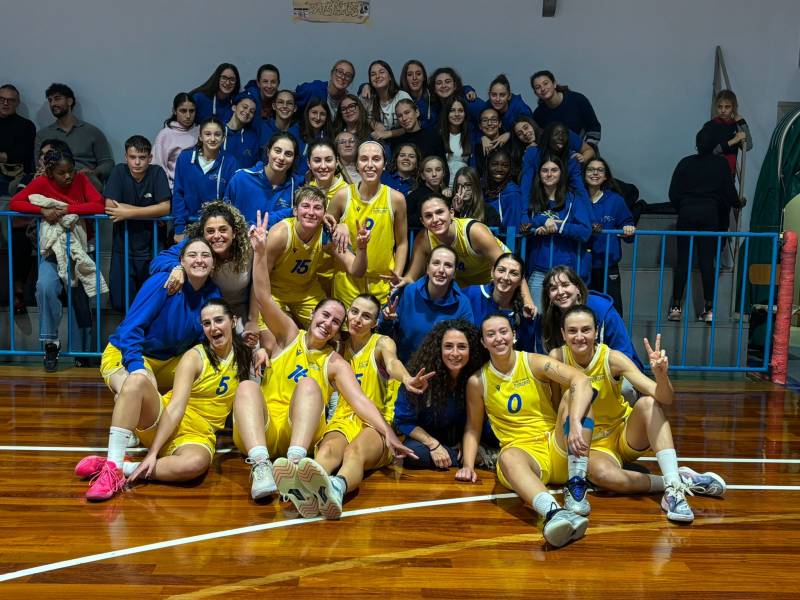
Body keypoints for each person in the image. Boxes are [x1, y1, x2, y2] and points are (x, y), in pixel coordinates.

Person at [234, 211, 414, 506]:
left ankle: (293, 467)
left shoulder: (335, 362)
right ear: (313, 315)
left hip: (298, 434)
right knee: (247, 387)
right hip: (263, 430)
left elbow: (359, 401)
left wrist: (386, 433)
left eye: (335, 321)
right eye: (325, 315)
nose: (328, 323)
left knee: (308, 385)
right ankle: (261, 466)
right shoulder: (289, 334)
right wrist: (260, 252)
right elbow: (265, 296)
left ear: (337, 331)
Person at [553, 305, 726, 522]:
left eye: (586, 330)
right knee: (604, 477)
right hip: (590, 445)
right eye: (572, 331)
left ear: (596, 331)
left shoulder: (612, 358)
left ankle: (674, 491)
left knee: (648, 403)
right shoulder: (557, 357)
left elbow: (664, 398)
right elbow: (552, 406)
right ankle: (677, 479)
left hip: (623, 435)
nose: (579, 336)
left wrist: (661, 376)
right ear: (563, 333)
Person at [73, 299, 255, 501]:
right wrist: (153, 452)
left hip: (199, 434)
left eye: (219, 320)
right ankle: (112, 468)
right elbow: (176, 407)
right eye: (206, 323)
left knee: (195, 464)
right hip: (164, 418)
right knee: (136, 381)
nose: (213, 328)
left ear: (233, 321)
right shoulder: (194, 357)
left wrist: (263, 351)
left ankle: (122, 467)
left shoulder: (245, 356)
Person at [456, 313, 595, 548]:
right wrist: (468, 466)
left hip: (558, 446)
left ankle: (576, 484)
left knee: (579, 397)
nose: (498, 338)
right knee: (507, 456)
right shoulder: (478, 381)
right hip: (523, 458)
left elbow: (581, 379)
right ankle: (555, 513)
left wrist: (575, 423)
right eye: (490, 334)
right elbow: (473, 426)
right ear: (483, 342)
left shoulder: (534, 362)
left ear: (514, 335)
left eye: (503, 332)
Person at [298, 294, 434, 519]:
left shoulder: (381, 343)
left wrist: (407, 378)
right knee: (327, 450)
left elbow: (392, 363)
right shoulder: (337, 344)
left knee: (354, 452)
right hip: (343, 418)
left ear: (375, 322)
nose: (358, 319)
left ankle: (336, 489)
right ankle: (305, 490)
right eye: (354, 312)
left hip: (376, 423)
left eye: (366, 316)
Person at [9, 146, 106, 371]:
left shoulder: (81, 180)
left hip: (81, 249)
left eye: (71, 171)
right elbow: (15, 203)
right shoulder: (42, 183)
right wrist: (41, 211)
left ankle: (82, 354)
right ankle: (50, 343)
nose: (68, 176)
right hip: (52, 251)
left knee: (80, 300)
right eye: (62, 173)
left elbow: (98, 204)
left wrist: (65, 209)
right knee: (45, 286)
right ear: (51, 172)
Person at [99, 237, 221, 396]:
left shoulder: (213, 294)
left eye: (205, 255)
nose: (199, 260)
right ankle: (129, 403)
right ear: (181, 262)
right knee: (138, 391)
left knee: (216, 379)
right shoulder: (164, 282)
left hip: (170, 362)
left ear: (213, 264)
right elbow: (130, 328)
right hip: (128, 353)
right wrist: (136, 367)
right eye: (192, 255)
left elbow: (207, 339)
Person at [149, 201, 259, 339]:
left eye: (223, 230)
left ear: (234, 232)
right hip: (206, 312)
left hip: (242, 311)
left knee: (252, 347)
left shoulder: (249, 249)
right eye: (210, 231)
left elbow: (259, 284)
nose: (217, 236)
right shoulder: (197, 246)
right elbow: (158, 261)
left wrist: (252, 320)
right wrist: (177, 268)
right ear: (203, 234)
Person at [265, 185, 370, 328]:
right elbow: (259, 278)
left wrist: (362, 249)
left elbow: (356, 271)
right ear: (295, 210)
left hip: (306, 293)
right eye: (306, 206)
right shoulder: (280, 234)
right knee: (276, 338)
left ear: (325, 214)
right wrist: (253, 318)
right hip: (275, 293)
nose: (311, 212)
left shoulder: (326, 235)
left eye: (317, 208)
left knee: (333, 334)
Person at [668, 123, 741, 323]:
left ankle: (675, 307)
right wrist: (737, 203)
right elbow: (729, 192)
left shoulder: (685, 162)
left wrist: (682, 207)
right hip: (710, 213)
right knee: (707, 261)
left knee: (683, 260)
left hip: (687, 212)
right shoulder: (720, 164)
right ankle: (708, 309)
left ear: (697, 144)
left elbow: (673, 193)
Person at [393, 319, 490, 468]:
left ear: (471, 350)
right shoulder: (420, 375)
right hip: (427, 439)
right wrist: (433, 444)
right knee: (412, 454)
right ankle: (477, 457)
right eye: (448, 346)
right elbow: (403, 421)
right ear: (439, 348)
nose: (455, 353)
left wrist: (467, 444)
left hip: (465, 438)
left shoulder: (477, 378)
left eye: (462, 347)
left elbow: (477, 422)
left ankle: (469, 455)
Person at [327, 141, 408, 307]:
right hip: (347, 282)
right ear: (357, 164)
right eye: (364, 159)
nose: (370, 165)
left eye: (376, 159)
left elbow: (402, 243)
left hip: (381, 282)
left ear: (384, 165)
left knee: (379, 332)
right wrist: (338, 226)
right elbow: (325, 234)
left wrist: (397, 274)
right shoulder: (342, 196)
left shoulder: (396, 199)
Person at [404, 196, 524, 297]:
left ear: (451, 213)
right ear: (423, 222)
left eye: (440, 212)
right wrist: (402, 282)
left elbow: (513, 269)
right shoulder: (424, 238)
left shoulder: (474, 231)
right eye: (428, 216)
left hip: (493, 282)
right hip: (463, 286)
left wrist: (527, 300)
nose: (435, 219)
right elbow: (411, 277)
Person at [103, 135, 171, 312]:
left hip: (152, 246)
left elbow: (165, 208)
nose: (137, 162)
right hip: (123, 247)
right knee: (121, 302)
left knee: (153, 301)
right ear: (126, 157)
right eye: (133, 157)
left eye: (142, 158)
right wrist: (149, 211)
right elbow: (110, 206)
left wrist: (128, 212)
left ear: (150, 158)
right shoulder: (119, 171)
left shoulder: (156, 172)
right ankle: (127, 338)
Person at [536, 265, 643, 370]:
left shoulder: (603, 310)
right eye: (553, 288)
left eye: (565, 285)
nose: (560, 292)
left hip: (614, 372)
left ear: (577, 288)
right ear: (548, 295)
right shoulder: (548, 319)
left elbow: (624, 352)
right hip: (573, 375)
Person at [379, 245, 474, 362]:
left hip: (442, 372)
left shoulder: (462, 303)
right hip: (404, 370)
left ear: (454, 273)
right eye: (436, 263)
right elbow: (382, 336)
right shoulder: (408, 292)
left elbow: (466, 345)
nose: (441, 270)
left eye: (448, 265)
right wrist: (387, 320)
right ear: (427, 268)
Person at [523, 157, 592, 305]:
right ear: (539, 174)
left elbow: (585, 231)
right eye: (544, 170)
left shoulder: (573, 199)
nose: (549, 174)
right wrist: (542, 221)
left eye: (554, 170)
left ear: (561, 174)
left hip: (566, 272)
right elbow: (523, 223)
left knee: (567, 319)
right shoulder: (532, 199)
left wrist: (559, 227)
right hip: (538, 271)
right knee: (536, 319)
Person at [34, 83, 113, 191]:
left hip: (84, 179)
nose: (53, 103)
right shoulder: (43, 134)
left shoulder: (92, 132)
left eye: (57, 99)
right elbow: (38, 165)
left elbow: (107, 163)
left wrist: (94, 172)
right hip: (55, 180)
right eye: (50, 100)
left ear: (69, 101)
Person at [172, 117, 238, 242]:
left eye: (217, 134)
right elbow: (178, 193)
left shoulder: (230, 162)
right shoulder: (185, 158)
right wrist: (179, 228)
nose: (212, 139)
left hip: (216, 230)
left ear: (223, 138)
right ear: (200, 137)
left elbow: (230, 199)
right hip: (188, 227)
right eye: (208, 134)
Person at [584, 158, 635, 316]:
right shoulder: (577, 199)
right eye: (591, 169)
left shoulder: (615, 200)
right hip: (581, 265)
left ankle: (613, 342)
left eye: (600, 170)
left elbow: (628, 227)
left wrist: (628, 229)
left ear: (606, 176)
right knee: (584, 310)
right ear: (584, 174)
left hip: (608, 265)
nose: (595, 173)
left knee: (612, 310)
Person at [225, 132, 300, 228]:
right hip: (241, 241)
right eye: (277, 151)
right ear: (268, 152)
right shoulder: (240, 179)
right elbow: (224, 218)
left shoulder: (296, 187)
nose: (281, 157)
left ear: (294, 159)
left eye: (288, 154)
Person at [463, 253, 536, 351]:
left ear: (520, 281)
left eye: (513, 273)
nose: (506, 277)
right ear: (492, 272)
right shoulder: (471, 293)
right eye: (501, 270)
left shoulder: (525, 313)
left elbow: (525, 354)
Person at [519, 122, 592, 203]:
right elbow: (526, 185)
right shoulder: (533, 154)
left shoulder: (572, 158)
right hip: (536, 200)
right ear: (548, 137)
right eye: (556, 134)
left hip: (562, 201)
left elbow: (580, 190)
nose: (561, 137)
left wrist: (590, 214)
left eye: (564, 134)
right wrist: (524, 212)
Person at [531, 70, 602, 149]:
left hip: (586, 151)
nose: (543, 88)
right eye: (538, 87)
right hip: (559, 156)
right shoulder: (538, 114)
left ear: (554, 84)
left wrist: (587, 149)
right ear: (536, 93)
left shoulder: (577, 99)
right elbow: (542, 139)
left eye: (545, 83)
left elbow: (594, 127)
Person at [152, 93, 199, 189]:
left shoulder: (201, 131)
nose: (188, 115)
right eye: (183, 111)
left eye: (192, 111)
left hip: (197, 185)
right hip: (173, 187)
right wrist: (169, 188)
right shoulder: (165, 134)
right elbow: (158, 166)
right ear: (174, 111)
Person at [362, 60, 412, 140]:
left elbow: (412, 125)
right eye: (373, 74)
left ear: (390, 77)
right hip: (380, 143)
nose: (377, 76)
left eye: (381, 72)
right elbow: (365, 117)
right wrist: (374, 124)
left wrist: (387, 134)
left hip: (404, 140)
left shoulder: (401, 96)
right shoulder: (368, 98)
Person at [0, 84, 35, 194]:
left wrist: (7, 157)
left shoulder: (26, 126)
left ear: (17, 103)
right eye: (2, 99)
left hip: (11, 177)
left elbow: (20, 156)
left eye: (10, 100)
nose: (5, 103)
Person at [708, 89, 752, 175]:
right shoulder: (711, 125)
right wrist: (734, 141)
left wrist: (742, 122)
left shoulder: (736, 125)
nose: (723, 110)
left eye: (727, 107)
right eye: (720, 107)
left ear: (733, 108)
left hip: (730, 175)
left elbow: (747, 147)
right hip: (712, 173)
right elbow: (712, 151)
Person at [405, 156, 450, 229]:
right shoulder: (414, 196)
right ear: (423, 175)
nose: (434, 174)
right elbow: (403, 218)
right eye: (429, 171)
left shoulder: (446, 195)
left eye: (438, 170)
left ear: (443, 173)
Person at [483, 147, 523, 228]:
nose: (499, 169)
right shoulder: (483, 188)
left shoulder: (513, 193)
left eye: (505, 166)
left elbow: (512, 229)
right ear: (487, 166)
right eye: (494, 164)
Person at [440, 96, 474, 185]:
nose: (457, 114)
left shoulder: (471, 136)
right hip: (443, 188)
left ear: (465, 113)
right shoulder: (438, 136)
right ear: (446, 113)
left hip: (465, 187)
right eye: (452, 110)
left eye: (460, 111)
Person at [222, 93, 260, 169]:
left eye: (252, 111)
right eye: (245, 107)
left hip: (241, 180)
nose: (247, 112)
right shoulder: (218, 131)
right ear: (234, 107)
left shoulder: (252, 138)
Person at [474, 107, 510, 180]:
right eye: (485, 120)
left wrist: (509, 134)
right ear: (480, 126)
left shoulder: (510, 143)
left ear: (500, 123)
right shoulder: (477, 147)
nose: (489, 123)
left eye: (493, 120)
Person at [399, 59, 434, 128]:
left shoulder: (433, 97)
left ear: (424, 77)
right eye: (410, 74)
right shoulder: (399, 98)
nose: (414, 78)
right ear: (405, 78)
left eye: (418, 74)